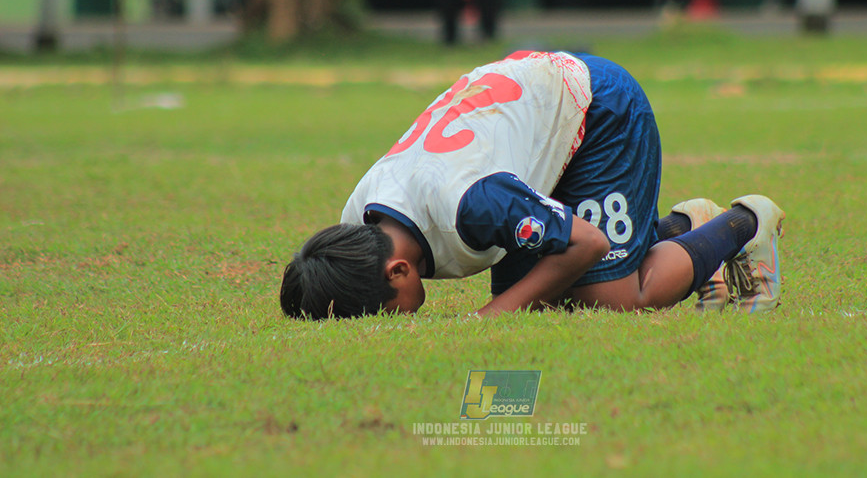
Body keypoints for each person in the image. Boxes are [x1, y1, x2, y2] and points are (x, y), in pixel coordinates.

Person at [280, 50, 785, 320]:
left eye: (382, 320)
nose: (393, 329)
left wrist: (493, 313)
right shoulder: (357, 224)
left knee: (613, 299)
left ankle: (746, 223)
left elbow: (589, 243)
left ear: (397, 270)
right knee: (551, 296)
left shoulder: (470, 204)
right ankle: (680, 228)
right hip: (527, 134)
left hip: (597, 112)